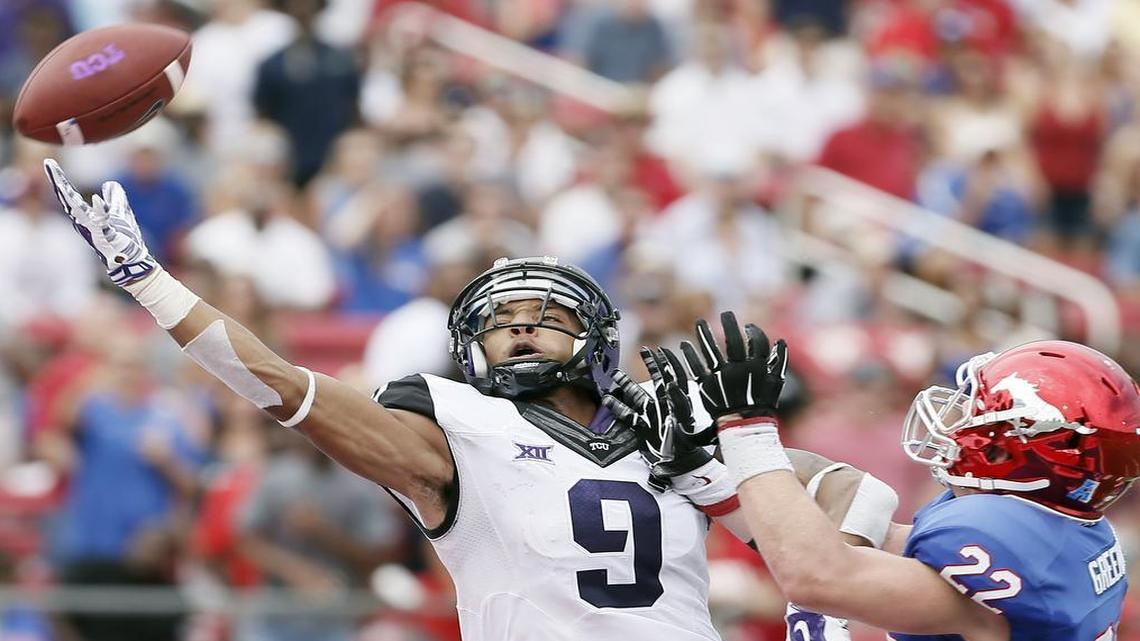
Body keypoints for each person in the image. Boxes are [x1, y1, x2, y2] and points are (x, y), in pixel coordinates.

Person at [41, 160, 897, 641]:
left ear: (599, 340)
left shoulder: (664, 430)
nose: (519, 330)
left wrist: (820, 600)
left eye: (546, 317)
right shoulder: (454, 427)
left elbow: (858, 495)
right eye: (500, 321)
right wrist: (149, 282)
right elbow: (287, 389)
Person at [612, 311, 1140, 639]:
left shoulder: (1014, 555)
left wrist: (747, 428)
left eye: (975, 414)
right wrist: (709, 460)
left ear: (1020, 450)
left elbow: (818, 575)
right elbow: (853, 527)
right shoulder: (1059, 531)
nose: (956, 422)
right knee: (856, 497)